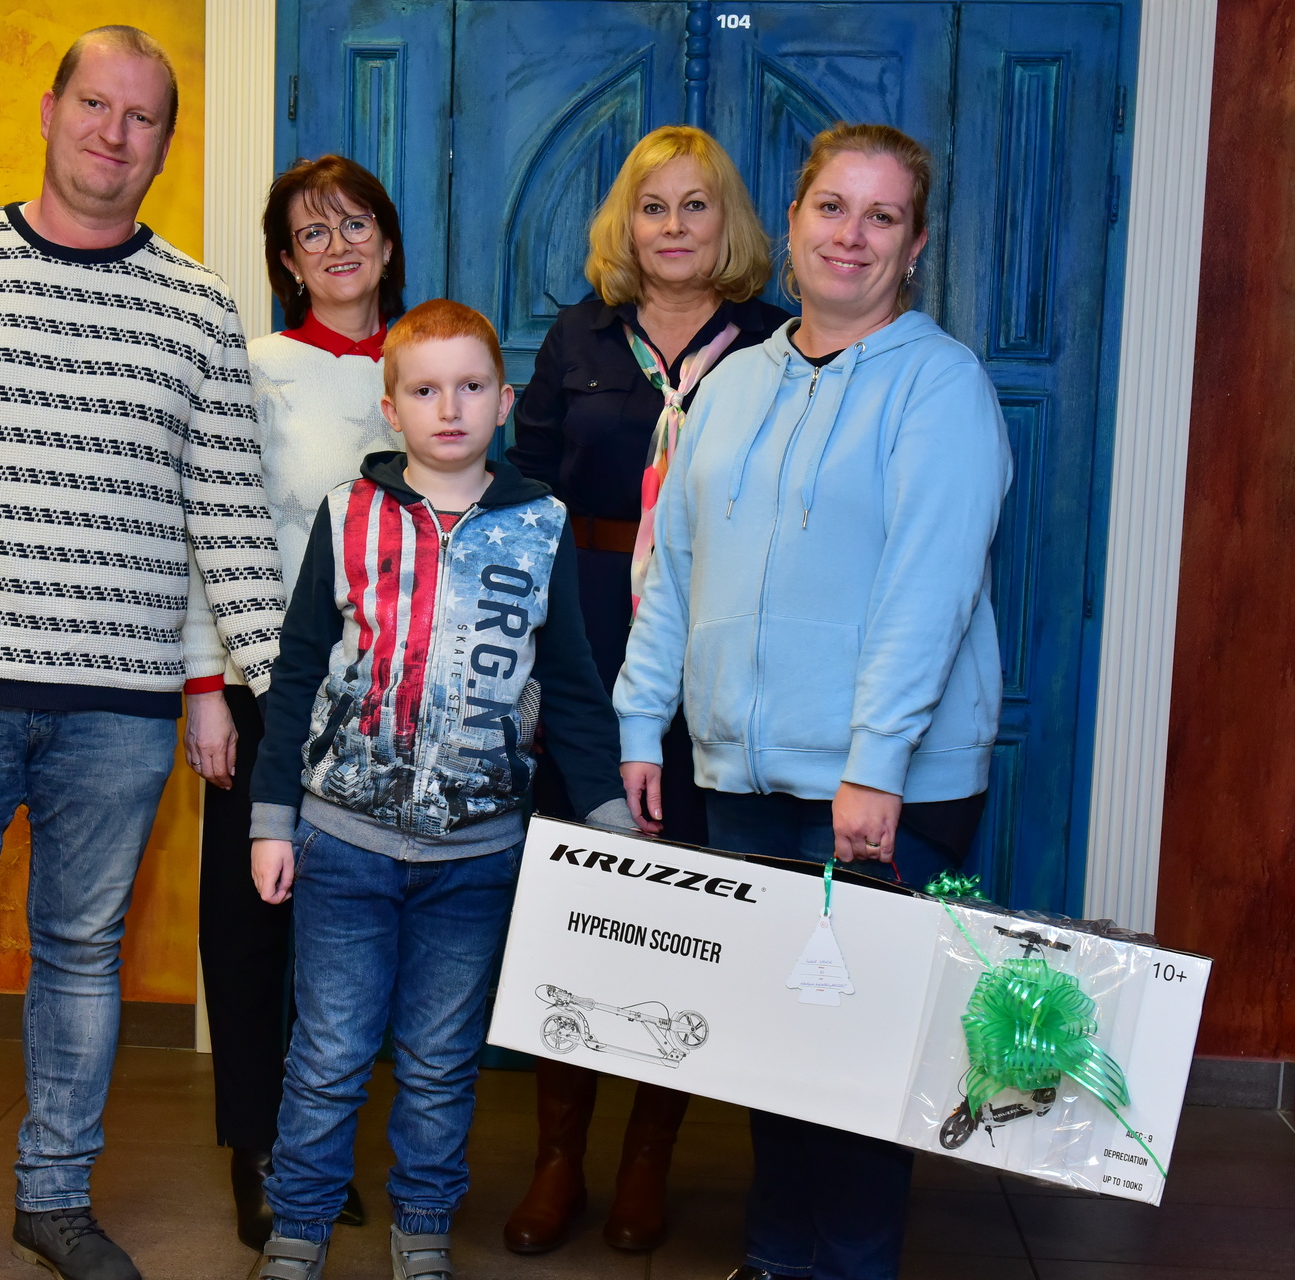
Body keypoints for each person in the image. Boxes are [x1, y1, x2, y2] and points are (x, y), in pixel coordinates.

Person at [0, 27, 286, 1280]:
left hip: (117, 710)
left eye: (142, 117)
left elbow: (232, 521)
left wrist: (285, 692)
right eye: (95, 104)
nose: (112, 133)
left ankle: (55, 1199)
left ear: (164, 145)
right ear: (49, 108)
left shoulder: (197, 308)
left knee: (83, 957)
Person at [612, 123, 1011, 1280]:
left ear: (916, 244)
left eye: (883, 217)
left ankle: (849, 1265)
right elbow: (674, 565)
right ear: (790, 224)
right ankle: (776, 1257)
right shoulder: (735, 382)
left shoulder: (941, 386)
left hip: (886, 786)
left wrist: (875, 762)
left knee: (860, 1062)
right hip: (746, 771)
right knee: (775, 1047)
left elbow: (929, 590)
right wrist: (643, 720)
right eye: (832, 207)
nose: (852, 235)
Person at [243, 300, 640, 1280]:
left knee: (437, 1057)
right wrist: (271, 819)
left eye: (471, 387)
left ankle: (422, 1225)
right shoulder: (348, 513)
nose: (449, 408)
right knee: (329, 1052)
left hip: (477, 855)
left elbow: (574, 687)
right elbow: (298, 672)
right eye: (425, 390)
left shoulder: (541, 525)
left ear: (504, 401)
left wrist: (610, 820)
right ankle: (298, 1226)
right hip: (342, 841)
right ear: (392, 409)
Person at [503, 124, 791, 1257]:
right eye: (653, 206)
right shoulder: (577, 337)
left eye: (695, 205)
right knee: (575, 902)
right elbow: (523, 492)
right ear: (626, 224)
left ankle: (646, 1161)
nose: (673, 226)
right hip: (585, 638)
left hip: (713, 647)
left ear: (730, 223)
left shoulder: (775, 343)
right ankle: (558, 1160)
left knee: (687, 915)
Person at [201, 154, 405, 1250]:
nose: (337, 246)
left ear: (387, 239)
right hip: (269, 688)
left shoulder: (432, 364)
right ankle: (258, 1149)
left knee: (356, 930)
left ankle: (322, 1143)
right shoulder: (254, 370)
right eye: (311, 232)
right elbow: (209, 534)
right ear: (285, 260)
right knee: (251, 931)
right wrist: (207, 688)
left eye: (354, 223)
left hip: (393, 701)